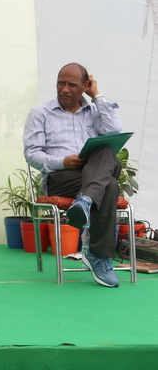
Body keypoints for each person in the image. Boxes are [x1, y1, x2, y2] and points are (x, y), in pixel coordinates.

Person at [23, 63, 124, 287]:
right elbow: (32, 154)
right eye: (61, 83)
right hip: (61, 177)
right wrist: (63, 162)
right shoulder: (40, 113)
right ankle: (98, 256)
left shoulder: (95, 111)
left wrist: (97, 96)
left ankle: (85, 200)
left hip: (90, 175)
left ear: (85, 86)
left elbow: (115, 130)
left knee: (107, 150)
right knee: (110, 186)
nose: (65, 89)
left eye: (72, 85)